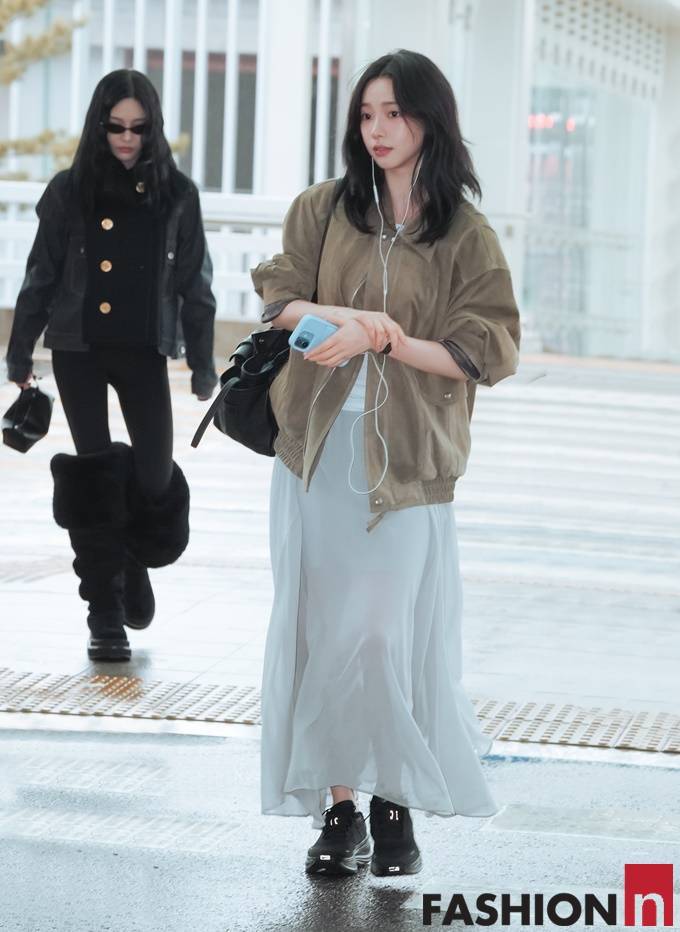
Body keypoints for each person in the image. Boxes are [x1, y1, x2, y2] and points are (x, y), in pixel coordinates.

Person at [251, 49, 521, 878]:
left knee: (381, 636)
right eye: (367, 113)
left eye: (395, 113)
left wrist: (389, 339)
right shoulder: (324, 208)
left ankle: (393, 798)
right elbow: (279, 301)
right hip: (316, 456)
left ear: (430, 121)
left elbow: (483, 351)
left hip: (406, 466)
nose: (378, 129)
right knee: (322, 634)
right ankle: (341, 812)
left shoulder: (465, 234)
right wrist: (349, 318)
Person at [5, 69, 217, 662]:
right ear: (98, 127)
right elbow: (41, 274)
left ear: (153, 129)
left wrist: (203, 364)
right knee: (94, 474)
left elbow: (196, 284)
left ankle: (130, 555)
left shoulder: (178, 195)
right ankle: (104, 615)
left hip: (144, 351)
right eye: (115, 127)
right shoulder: (69, 191)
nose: (126, 139)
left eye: (138, 128)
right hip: (79, 348)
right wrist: (19, 352)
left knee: (154, 474)